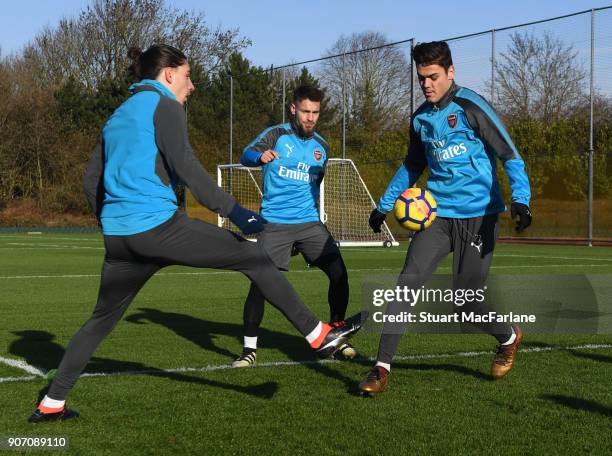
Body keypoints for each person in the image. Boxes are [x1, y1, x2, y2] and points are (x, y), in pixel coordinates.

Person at [28, 44, 364, 423]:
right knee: (255, 256)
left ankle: (52, 403)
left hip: (120, 239)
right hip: (157, 227)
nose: (192, 86)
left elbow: (93, 181)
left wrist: (112, 222)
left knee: (100, 320)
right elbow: (186, 165)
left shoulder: (117, 115)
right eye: (188, 76)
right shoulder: (164, 105)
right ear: (169, 74)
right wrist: (235, 211)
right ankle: (318, 335)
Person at [359, 41, 532, 394]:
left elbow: (508, 154)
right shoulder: (420, 118)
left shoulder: (471, 106)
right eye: (421, 78)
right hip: (436, 217)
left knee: (465, 302)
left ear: (450, 73)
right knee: (407, 282)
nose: (427, 84)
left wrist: (521, 199)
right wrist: (384, 204)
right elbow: (412, 165)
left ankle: (508, 336)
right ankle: (380, 369)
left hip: (479, 217)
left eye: (433, 77)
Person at [232, 85, 355, 367]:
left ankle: (336, 335)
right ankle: (249, 349)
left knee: (339, 273)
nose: (310, 118)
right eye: (305, 112)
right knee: (260, 284)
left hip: (309, 223)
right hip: (275, 224)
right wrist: (259, 157)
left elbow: (317, 182)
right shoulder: (276, 135)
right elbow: (246, 153)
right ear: (293, 109)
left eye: (315, 113)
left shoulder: (322, 146)